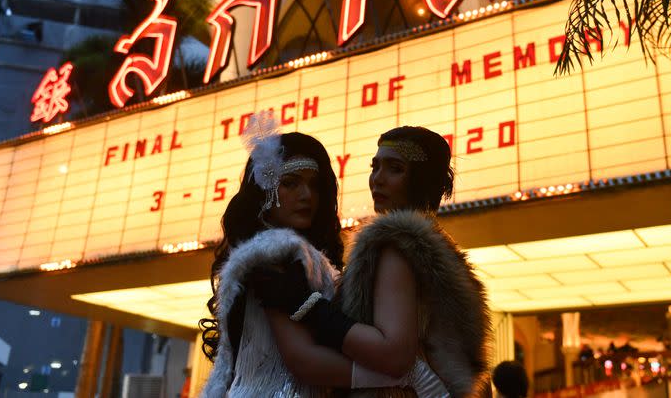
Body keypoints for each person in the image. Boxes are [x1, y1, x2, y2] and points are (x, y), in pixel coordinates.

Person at [200, 115, 444, 397]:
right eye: (291, 183)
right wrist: (404, 377)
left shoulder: (302, 255)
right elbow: (303, 360)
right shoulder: (274, 252)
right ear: (267, 191)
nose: (307, 195)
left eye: (314, 185)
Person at [262, 125, 491, 396]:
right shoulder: (439, 251)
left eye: (395, 169)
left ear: (421, 179)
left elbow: (394, 355)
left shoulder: (393, 245)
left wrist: (309, 307)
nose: (377, 179)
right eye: (375, 167)